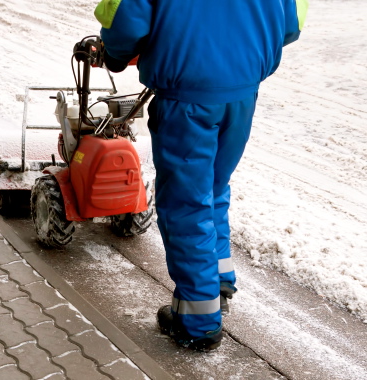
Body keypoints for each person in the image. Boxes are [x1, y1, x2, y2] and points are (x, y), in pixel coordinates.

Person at [94, 0, 308, 351]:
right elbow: (292, 23)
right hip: (241, 92)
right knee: (213, 186)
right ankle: (219, 278)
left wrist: (115, 54)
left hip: (187, 98)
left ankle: (198, 321)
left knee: (185, 204)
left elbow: (124, 20)